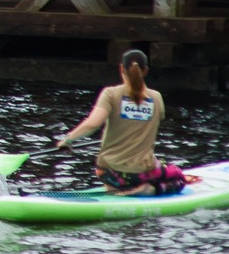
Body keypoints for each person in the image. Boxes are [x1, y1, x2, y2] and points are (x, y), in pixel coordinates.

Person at [50, 50, 185, 196]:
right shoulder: (157, 97)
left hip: (108, 173)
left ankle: (114, 189)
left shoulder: (110, 94)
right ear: (145, 71)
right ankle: (147, 189)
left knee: (112, 168)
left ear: (121, 68)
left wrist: (68, 139)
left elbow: (93, 124)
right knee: (179, 180)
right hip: (140, 173)